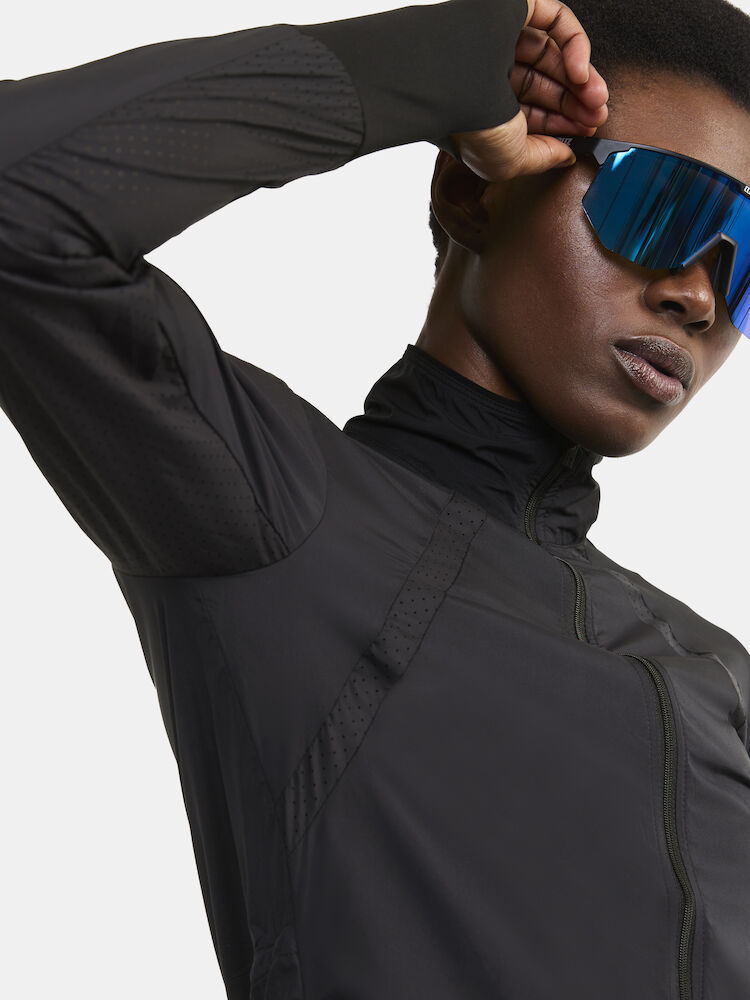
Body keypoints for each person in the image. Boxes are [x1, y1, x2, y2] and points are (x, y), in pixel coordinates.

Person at [0, 0, 749, 996]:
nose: (699, 297)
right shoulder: (280, 519)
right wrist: (434, 65)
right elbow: (18, 202)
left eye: (746, 259)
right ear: (471, 193)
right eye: (661, 206)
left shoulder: (718, 671)